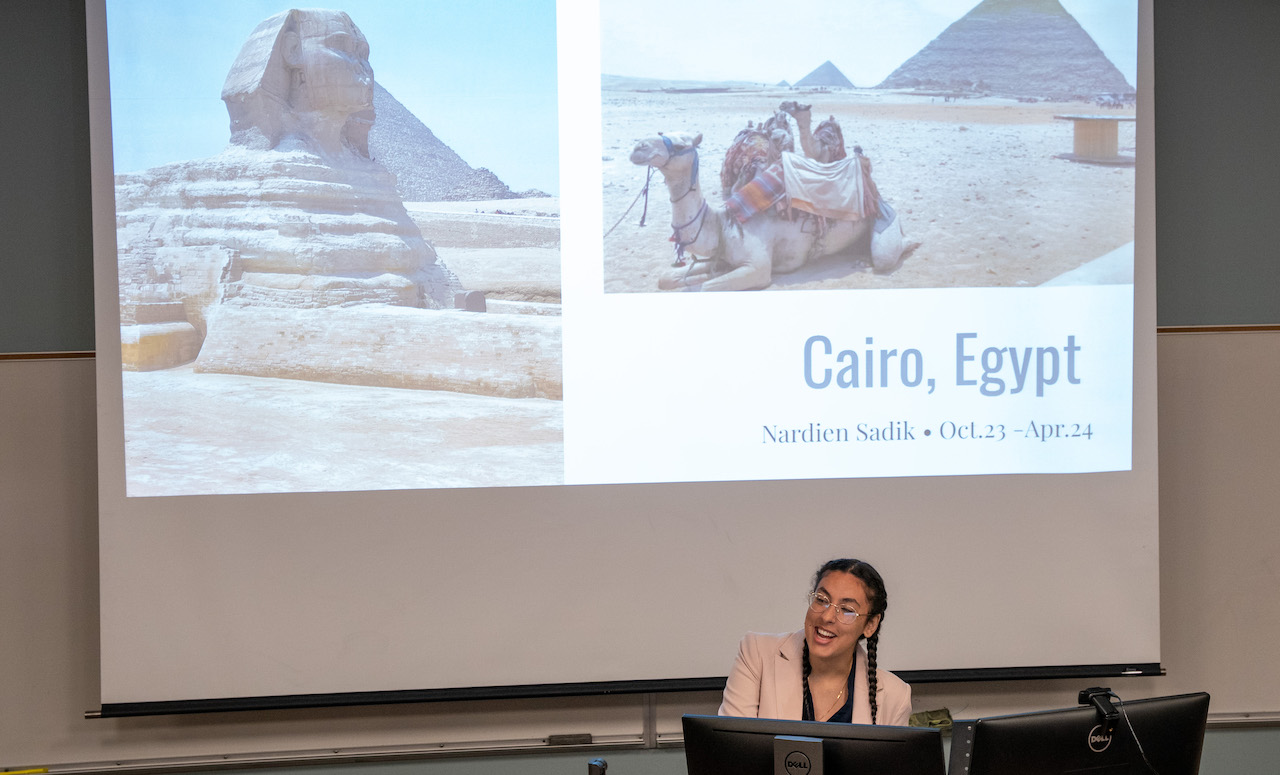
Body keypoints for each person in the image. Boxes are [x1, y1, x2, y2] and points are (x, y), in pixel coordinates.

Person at [718, 558, 912, 726]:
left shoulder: (895, 696)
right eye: (821, 599)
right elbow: (732, 751)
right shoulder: (757, 654)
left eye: (846, 609)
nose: (827, 616)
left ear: (870, 624)